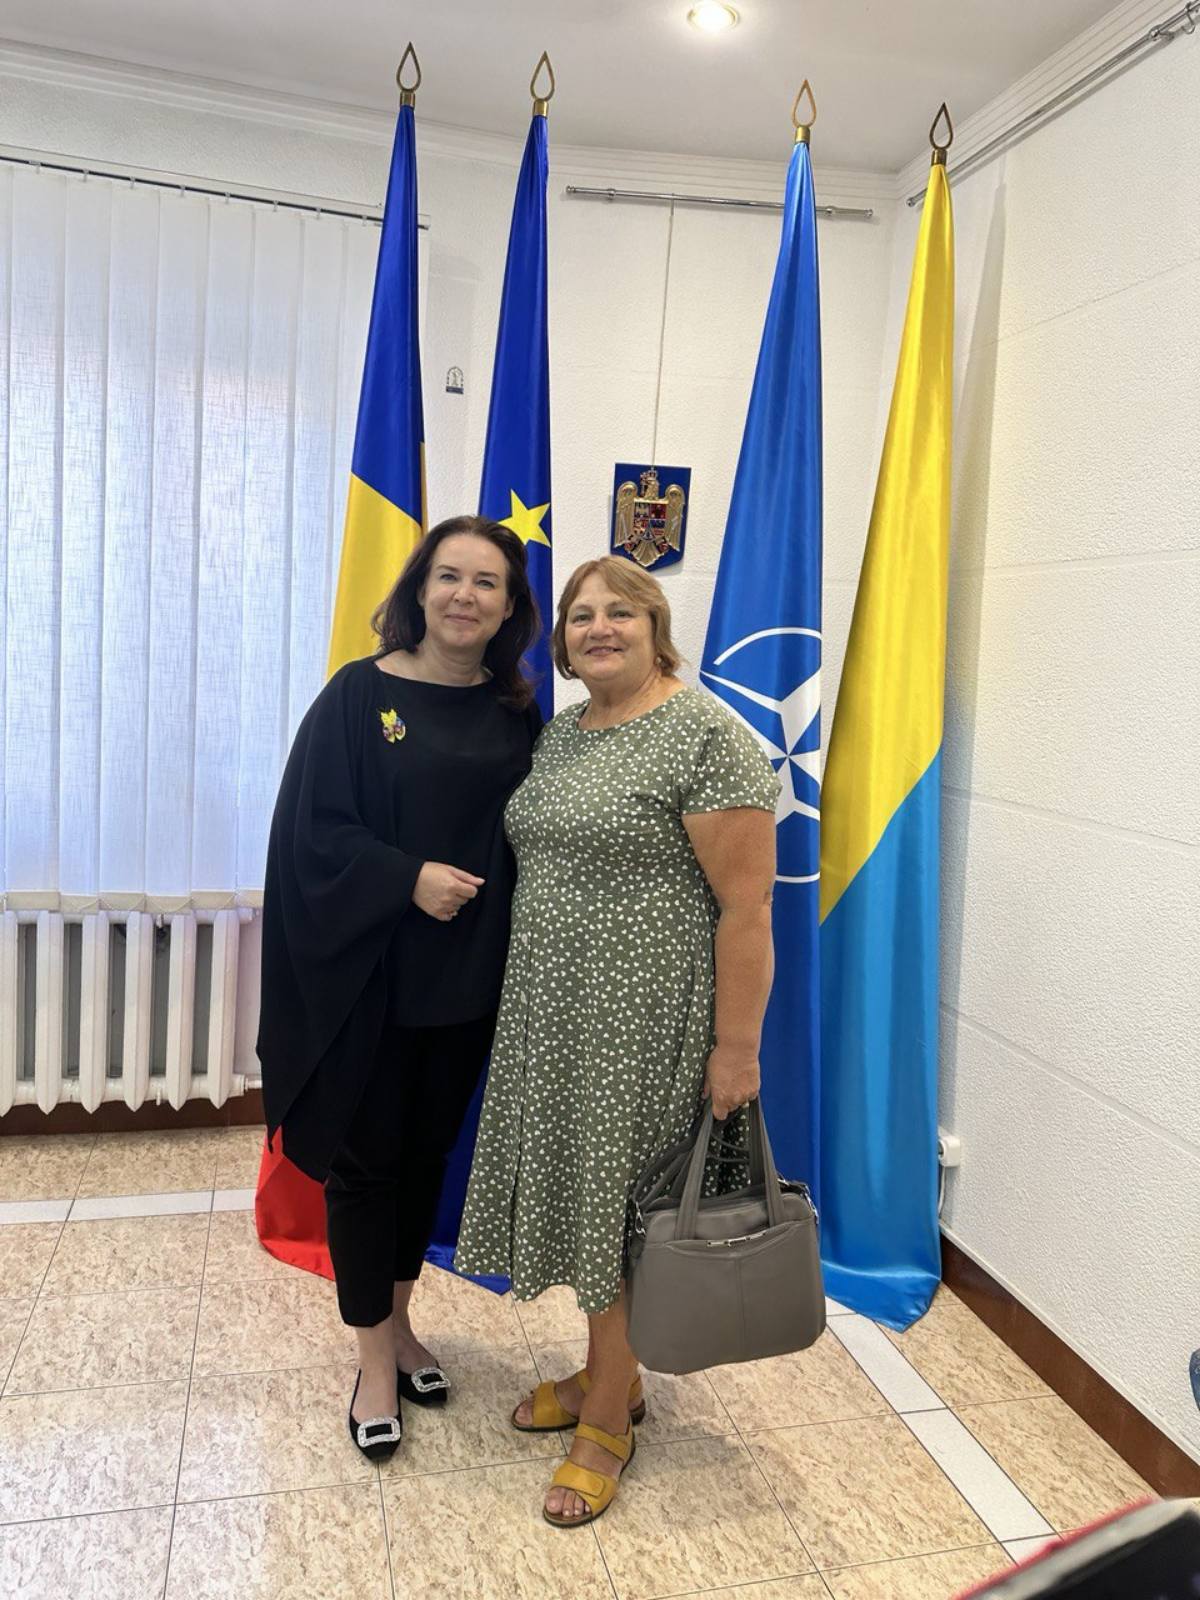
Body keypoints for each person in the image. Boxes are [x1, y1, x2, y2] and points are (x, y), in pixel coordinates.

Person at [455, 555, 780, 1525]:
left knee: (625, 1215)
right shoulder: (563, 734)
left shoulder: (707, 735)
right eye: (581, 615)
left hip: (644, 1026)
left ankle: (606, 1420)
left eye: (621, 612)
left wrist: (737, 1048)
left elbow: (748, 911)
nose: (600, 627)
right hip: (554, 1016)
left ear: (655, 627)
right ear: (561, 640)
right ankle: (614, 1372)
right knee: (586, 1200)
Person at [257, 515, 541, 1462]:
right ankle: (373, 1362)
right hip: (370, 983)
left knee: (424, 1163)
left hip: (468, 986)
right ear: (420, 588)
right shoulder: (358, 695)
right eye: (449, 575)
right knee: (368, 1168)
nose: (466, 595)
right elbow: (312, 832)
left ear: (509, 606)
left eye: (488, 583)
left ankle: (404, 1322)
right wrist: (405, 877)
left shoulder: (517, 713)